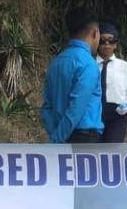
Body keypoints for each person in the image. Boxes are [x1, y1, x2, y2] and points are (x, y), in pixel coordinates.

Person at [41, 10, 103, 143]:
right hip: (84, 140)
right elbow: (76, 108)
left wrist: (55, 135)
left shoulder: (56, 62)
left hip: (59, 134)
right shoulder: (88, 64)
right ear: (95, 33)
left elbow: (46, 108)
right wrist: (57, 140)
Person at [94, 24, 127, 144]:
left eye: (111, 40)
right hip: (94, 114)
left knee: (113, 152)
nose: (107, 44)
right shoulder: (90, 65)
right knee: (94, 151)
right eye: (103, 41)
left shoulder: (124, 66)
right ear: (97, 42)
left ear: (116, 44)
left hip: (117, 116)